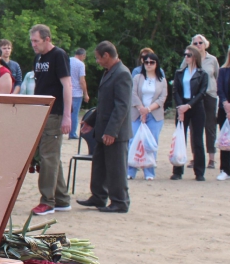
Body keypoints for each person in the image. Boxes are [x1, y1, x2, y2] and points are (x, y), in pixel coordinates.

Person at [77, 41, 132, 213]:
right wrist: (91, 121)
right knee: (99, 165)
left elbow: (122, 106)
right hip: (102, 129)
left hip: (114, 132)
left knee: (116, 168)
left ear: (106, 55)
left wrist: (111, 131)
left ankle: (120, 202)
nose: (97, 61)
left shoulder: (122, 74)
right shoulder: (109, 72)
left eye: (98, 58)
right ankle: (99, 197)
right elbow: (104, 104)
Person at [29, 24, 72, 216]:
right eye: (32, 41)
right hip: (41, 111)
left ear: (47, 39)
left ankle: (47, 200)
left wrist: (67, 115)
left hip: (55, 113)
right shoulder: (38, 58)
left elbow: (67, 85)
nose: (33, 45)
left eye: (36, 41)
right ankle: (62, 198)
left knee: (48, 158)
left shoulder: (58, 55)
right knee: (51, 155)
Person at [128, 52, 167, 181]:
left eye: (152, 62)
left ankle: (149, 171)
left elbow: (162, 98)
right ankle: (130, 170)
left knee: (150, 143)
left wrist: (148, 110)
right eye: (146, 62)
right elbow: (133, 94)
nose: (149, 65)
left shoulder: (161, 80)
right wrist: (141, 109)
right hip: (136, 114)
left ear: (156, 64)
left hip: (154, 115)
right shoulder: (137, 78)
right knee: (133, 141)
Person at [182, 35, 220, 168]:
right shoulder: (188, 58)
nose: (198, 45)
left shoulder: (212, 59)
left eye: (200, 43)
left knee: (210, 126)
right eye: (195, 43)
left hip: (209, 94)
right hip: (194, 96)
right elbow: (182, 73)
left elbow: (217, 76)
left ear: (205, 44)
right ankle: (196, 157)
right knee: (194, 127)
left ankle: (211, 158)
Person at [172, 45, 209, 181]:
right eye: (185, 55)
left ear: (195, 57)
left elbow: (202, 92)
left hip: (196, 107)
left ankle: (199, 172)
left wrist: (189, 105)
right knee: (180, 138)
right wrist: (181, 107)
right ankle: (177, 170)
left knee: (197, 140)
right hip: (182, 106)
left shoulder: (202, 74)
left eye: (188, 55)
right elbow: (175, 90)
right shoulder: (180, 73)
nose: (186, 57)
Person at [69, 48, 90, 139]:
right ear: (82, 55)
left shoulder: (67, 61)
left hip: (67, 91)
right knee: (74, 113)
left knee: (65, 112)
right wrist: (86, 94)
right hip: (76, 92)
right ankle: (72, 133)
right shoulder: (80, 64)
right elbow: (82, 80)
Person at [217, 47, 230, 181]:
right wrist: (226, 104)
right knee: (225, 141)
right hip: (224, 110)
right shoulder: (223, 70)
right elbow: (220, 89)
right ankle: (225, 169)